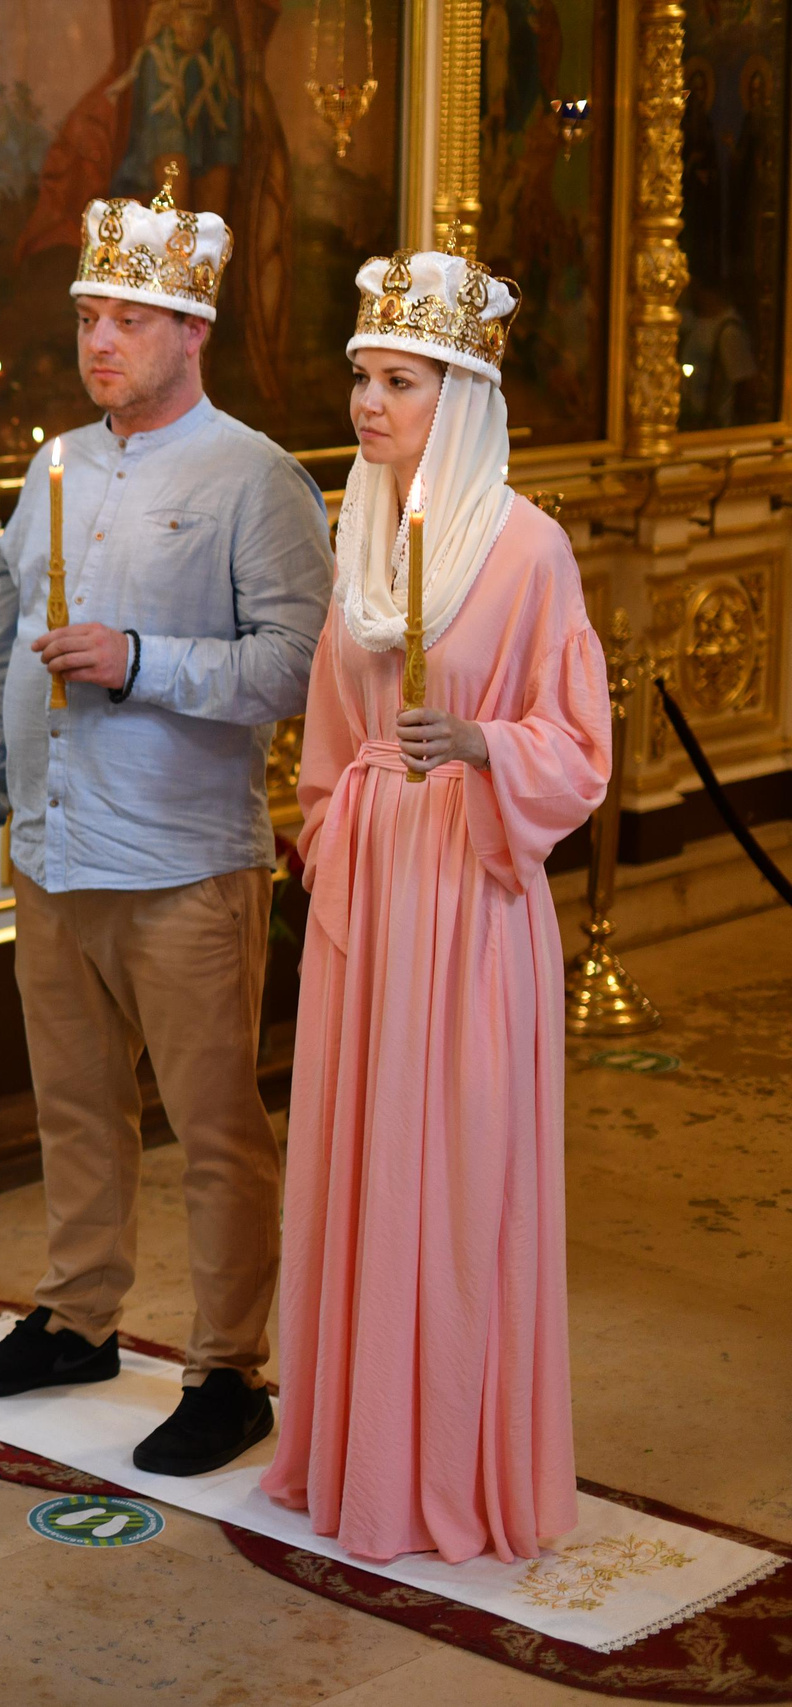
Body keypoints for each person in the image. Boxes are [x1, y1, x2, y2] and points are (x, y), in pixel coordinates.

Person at [0, 171, 331, 1478]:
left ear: (191, 330)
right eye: (89, 315)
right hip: (51, 853)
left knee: (213, 1121)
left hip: (183, 862)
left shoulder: (254, 477)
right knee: (74, 1102)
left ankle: (229, 1365)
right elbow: (0, 657)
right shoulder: (54, 464)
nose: (100, 339)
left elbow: (290, 668)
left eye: (129, 317)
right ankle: (78, 1315)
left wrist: (143, 657)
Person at [262, 252, 608, 1563]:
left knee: (459, 1172)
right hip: (374, 893)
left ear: (459, 395)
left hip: (472, 893)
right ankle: (351, 1451)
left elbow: (578, 743)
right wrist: (334, 815)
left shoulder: (529, 551)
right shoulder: (359, 526)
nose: (368, 400)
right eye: (361, 375)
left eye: (398, 380)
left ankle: (453, 1463)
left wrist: (481, 747)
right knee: (359, 1162)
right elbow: (335, 732)